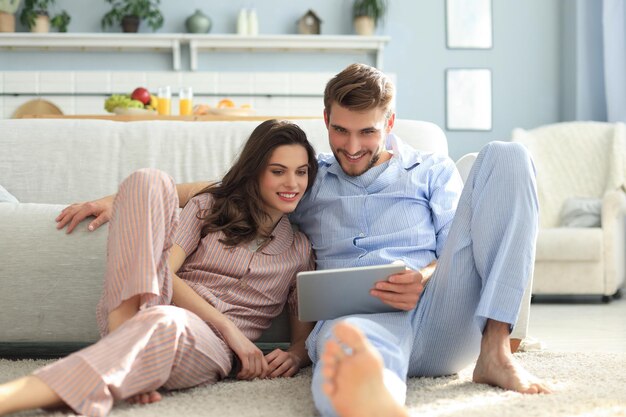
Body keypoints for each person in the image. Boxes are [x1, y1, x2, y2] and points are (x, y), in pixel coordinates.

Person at [52, 63, 551, 417]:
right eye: (339, 131)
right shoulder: (310, 179)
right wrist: (117, 199)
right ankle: (367, 394)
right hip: (356, 314)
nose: (352, 147)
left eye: (367, 133)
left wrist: (422, 276)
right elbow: (232, 185)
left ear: (390, 124)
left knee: (508, 156)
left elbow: (454, 249)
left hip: (438, 310)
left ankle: (496, 352)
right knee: (348, 346)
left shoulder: (431, 171)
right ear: (326, 120)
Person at [0, 119, 318, 417]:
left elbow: (303, 339)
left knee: (165, 323)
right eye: (278, 171)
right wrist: (229, 328)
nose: (292, 183)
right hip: (152, 307)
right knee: (149, 180)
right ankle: (132, 357)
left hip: (206, 345)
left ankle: (15, 396)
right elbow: (163, 271)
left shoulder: (300, 250)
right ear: (254, 173)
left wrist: (293, 356)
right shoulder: (209, 208)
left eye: (301, 172)